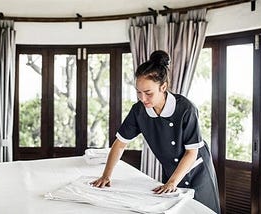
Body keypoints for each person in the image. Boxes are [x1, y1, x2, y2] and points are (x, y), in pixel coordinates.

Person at [91, 50, 220, 213]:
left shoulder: (186, 109)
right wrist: (106, 176)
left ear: (163, 87)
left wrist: (172, 182)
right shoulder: (139, 111)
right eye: (138, 92)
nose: (142, 98)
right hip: (171, 171)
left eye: (148, 93)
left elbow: (191, 153)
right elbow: (119, 144)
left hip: (197, 171)